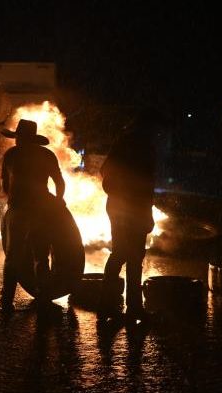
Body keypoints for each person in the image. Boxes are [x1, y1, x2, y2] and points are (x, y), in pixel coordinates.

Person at [98, 107, 163, 323]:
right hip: (127, 207)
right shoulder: (137, 146)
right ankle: (119, 306)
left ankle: (120, 306)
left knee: (128, 254)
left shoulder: (128, 143)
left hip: (126, 206)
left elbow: (107, 171)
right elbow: (144, 183)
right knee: (126, 254)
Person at [0, 119, 65, 313]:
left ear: (20, 137)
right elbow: (59, 183)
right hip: (42, 210)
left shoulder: (11, 155)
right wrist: (59, 201)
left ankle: (7, 301)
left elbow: (5, 185)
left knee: (12, 256)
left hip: (18, 209)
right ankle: (44, 296)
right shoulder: (46, 155)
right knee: (41, 256)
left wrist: (12, 199)